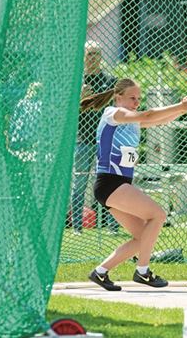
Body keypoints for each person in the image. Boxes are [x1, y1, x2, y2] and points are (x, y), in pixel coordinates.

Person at [81, 77, 187, 291]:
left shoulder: (130, 120)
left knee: (142, 236)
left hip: (116, 186)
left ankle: (101, 272)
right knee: (158, 215)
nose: (136, 102)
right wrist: (180, 105)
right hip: (110, 183)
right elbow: (148, 115)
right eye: (132, 98)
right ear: (118, 97)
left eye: (139, 98)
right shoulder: (114, 114)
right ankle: (142, 271)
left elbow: (157, 120)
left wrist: (183, 109)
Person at [70, 41, 118, 235]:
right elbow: (69, 112)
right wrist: (79, 98)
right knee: (79, 184)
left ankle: (112, 226)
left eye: (97, 54)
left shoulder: (110, 81)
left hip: (105, 140)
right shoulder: (76, 82)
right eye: (90, 54)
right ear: (83, 57)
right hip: (82, 140)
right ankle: (77, 227)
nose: (93, 58)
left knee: (109, 183)